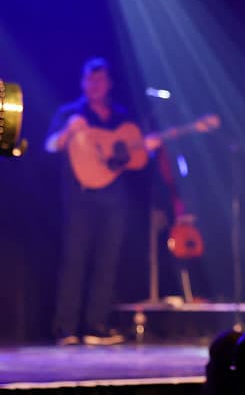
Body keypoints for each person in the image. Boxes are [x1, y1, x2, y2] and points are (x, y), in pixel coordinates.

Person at [45, 57, 160, 345]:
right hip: (79, 195)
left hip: (113, 196)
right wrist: (68, 131)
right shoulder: (70, 111)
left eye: (101, 80)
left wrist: (148, 148)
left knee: (107, 261)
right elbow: (49, 145)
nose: (95, 85)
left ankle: (97, 325)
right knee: (75, 259)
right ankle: (65, 328)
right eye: (90, 80)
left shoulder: (121, 116)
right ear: (83, 82)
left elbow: (135, 157)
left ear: (108, 84)